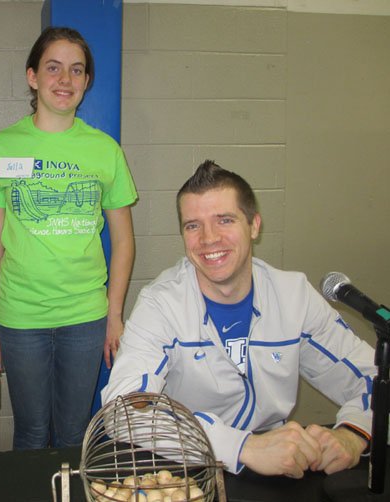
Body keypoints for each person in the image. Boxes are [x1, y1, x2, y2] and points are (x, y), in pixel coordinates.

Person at [102, 160, 376, 478]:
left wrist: (354, 433)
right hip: (189, 470)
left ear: (254, 225)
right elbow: (123, 410)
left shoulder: (293, 296)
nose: (208, 238)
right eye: (193, 225)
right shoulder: (162, 303)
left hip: (279, 472)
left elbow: (375, 378)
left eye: (225, 220)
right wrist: (242, 446)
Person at [0, 26, 137, 449]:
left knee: (75, 431)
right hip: (20, 317)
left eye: (76, 71)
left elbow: (124, 241)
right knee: (31, 430)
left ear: (86, 81)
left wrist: (114, 314)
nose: (65, 80)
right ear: (33, 77)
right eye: (54, 68)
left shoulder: (105, 151)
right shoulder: (1, 147)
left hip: (85, 314)